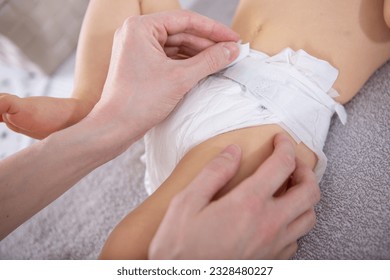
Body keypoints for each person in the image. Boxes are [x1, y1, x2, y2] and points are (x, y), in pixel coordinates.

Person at [0, 9, 319, 259]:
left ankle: (93, 109)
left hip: (260, 111)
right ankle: (89, 103)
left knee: (127, 249)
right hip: (190, 78)